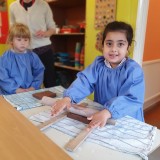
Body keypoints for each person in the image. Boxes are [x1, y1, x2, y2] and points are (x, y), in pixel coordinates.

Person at [51, 21, 145, 129]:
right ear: (103, 44)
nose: (114, 49)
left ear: (128, 47)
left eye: (120, 44)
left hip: (126, 120)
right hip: (101, 115)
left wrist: (108, 112)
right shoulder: (98, 65)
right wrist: (68, 98)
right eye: (109, 43)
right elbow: (84, 82)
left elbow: (132, 99)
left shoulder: (133, 71)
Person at [9, 0, 57, 88]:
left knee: (49, 82)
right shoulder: (13, 6)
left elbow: (52, 28)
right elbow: (12, 28)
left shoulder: (43, 5)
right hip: (24, 53)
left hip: (44, 50)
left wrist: (45, 33)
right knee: (27, 84)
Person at [0, 23, 44, 95]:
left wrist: (33, 87)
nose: (23, 43)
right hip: (10, 93)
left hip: (30, 92)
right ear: (11, 41)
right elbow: (3, 77)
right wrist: (16, 89)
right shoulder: (5, 58)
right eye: (19, 40)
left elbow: (39, 72)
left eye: (25, 40)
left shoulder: (32, 56)